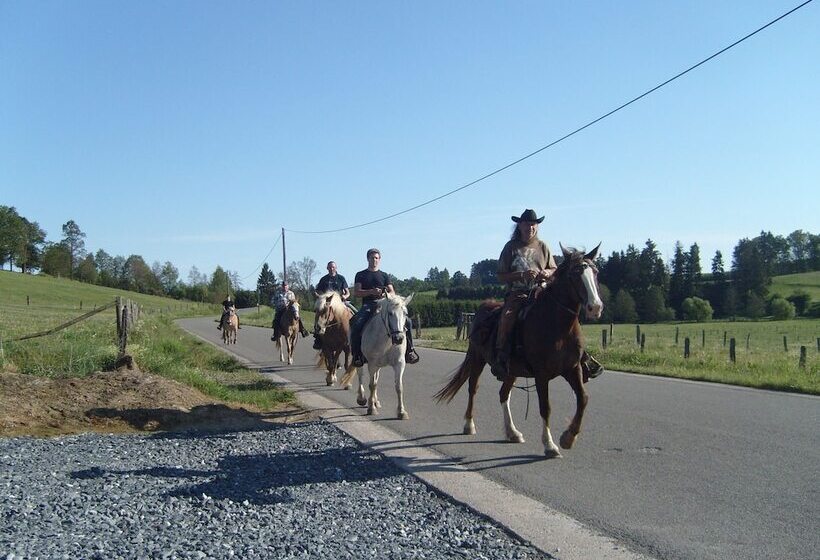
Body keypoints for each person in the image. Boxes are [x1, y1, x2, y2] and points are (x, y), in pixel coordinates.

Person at [491, 208, 603, 380]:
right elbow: (501, 275)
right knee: (508, 316)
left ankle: (580, 356)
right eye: (527, 224)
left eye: (533, 225)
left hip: (542, 290)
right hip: (518, 293)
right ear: (519, 226)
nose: (530, 228)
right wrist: (522, 275)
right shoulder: (511, 247)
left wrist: (547, 273)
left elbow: (554, 269)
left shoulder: (543, 246)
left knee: (565, 316)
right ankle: (502, 356)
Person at [350, 248, 419, 367]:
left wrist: (384, 294)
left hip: (385, 304)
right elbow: (357, 292)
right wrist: (371, 292)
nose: (374, 260)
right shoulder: (361, 275)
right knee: (356, 323)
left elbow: (392, 291)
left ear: (379, 259)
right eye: (372, 258)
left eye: (376, 258)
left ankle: (410, 351)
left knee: (407, 322)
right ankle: (357, 355)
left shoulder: (384, 275)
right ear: (368, 259)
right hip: (368, 304)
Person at [313, 261, 356, 349]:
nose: (331, 269)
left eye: (333, 267)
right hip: (327, 303)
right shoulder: (324, 279)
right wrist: (321, 296)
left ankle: (353, 336)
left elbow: (347, 292)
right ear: (327, 268)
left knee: (355, 312)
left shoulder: (341, 278)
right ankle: (318, 338)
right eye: (330, 267)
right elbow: (318, 291)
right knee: (318, 314)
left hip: (340, 302)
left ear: (336, 268)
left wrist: (344, 296)